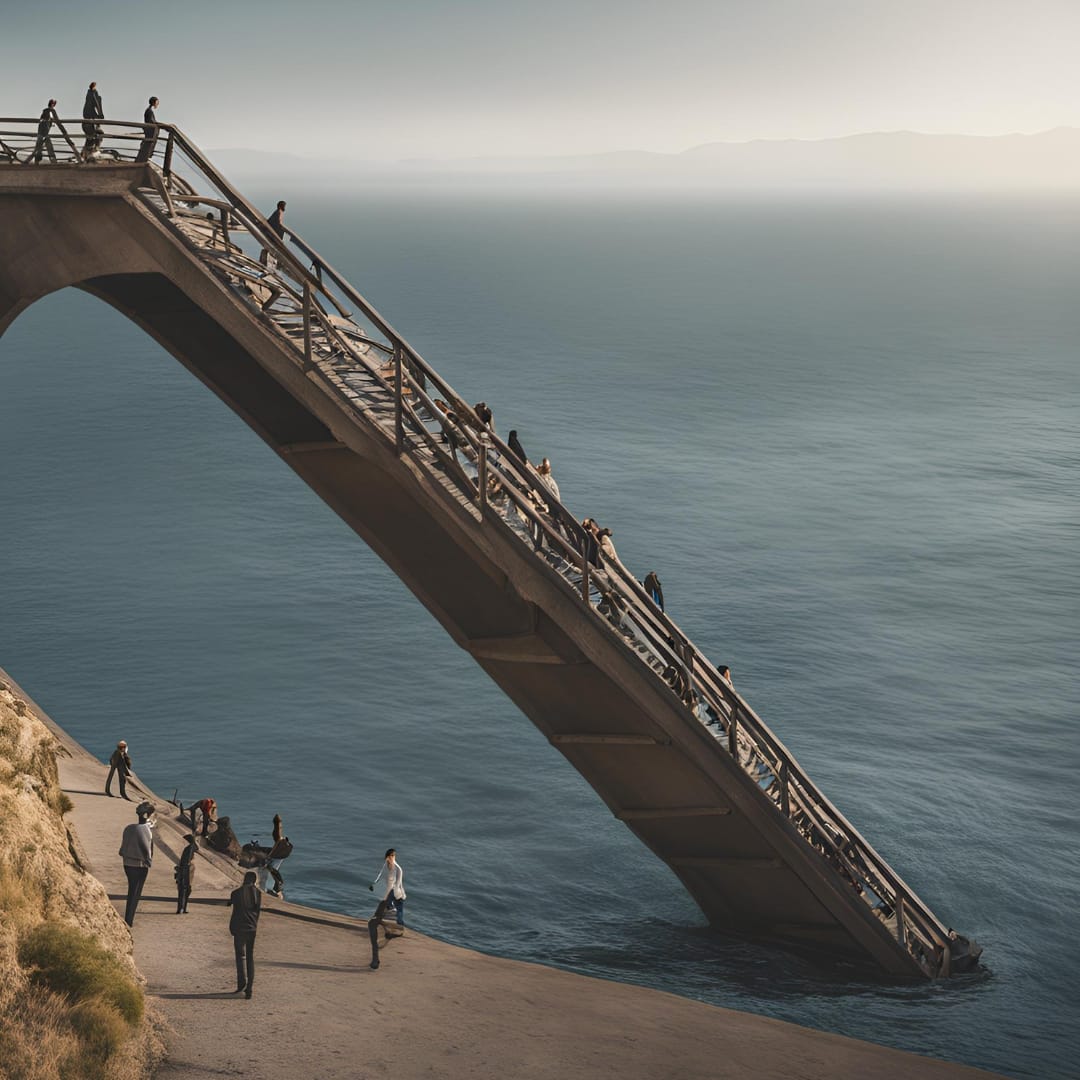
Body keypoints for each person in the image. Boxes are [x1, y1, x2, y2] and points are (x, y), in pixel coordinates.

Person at [118, 801, 155, 926]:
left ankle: (129, 918)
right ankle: (129, 920)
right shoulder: (145, 830)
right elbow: (146, 848)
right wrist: (149, 861)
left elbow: (122, 848)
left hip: (127, 863)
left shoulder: (129, 828)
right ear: (147, 815)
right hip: (139, 865)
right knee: (136, 892)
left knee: (132, 890)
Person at [227, 871, 262, 999]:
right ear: (254, 881)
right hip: (252, 929)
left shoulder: (236, 893)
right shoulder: (258, 893)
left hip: (239, 929)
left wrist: (232, 928)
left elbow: (235, 912)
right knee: (250, 958)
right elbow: (257, 912)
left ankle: (241, 983)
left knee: (240, 956)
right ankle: (250, 989)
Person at [369, 848, 406, 927]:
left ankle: (400, 926)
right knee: (383, 904)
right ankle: (379, 918)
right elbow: (381, 874)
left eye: (392, 856)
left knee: (397, 911)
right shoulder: (386, 864)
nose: (390, 858)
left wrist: (392, 894)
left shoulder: (398, 869)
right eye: (389, 857)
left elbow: (398, 884)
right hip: (388, 890)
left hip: (397, 892)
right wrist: (375, 883)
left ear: (394, 856)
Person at [263, 831, 293, 897]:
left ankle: (270, 888)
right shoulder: (290, 846)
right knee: (273, 870)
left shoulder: (280, 843)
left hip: (276, 858)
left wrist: (269, 857)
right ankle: (277, 886)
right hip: (280, 858)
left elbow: (274, 850)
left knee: (271, 871)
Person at [175, 833, 197, 914]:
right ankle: (181, 908)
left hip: (185, 870)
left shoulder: (189, 848)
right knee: (184, 890)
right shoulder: (190, 848)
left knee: (184, 890)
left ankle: (182, 908)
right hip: (185, 870)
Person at [259, 200, 286, 265]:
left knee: (271, 245)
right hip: (275, 232)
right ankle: (276, 261)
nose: (284, 207)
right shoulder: (279, 212)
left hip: (273, 231)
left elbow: (270, 220)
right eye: (284, 206)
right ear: (281, 206)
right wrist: (282, 226)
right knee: (276, 246)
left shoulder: (277, 211)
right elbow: (279, 221)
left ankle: (267, 259)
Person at [81, 81, 103, 158]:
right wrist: (100, 115)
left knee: (90, 138)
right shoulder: (93, 94)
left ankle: (85, 154)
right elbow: (97, 103)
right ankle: (94, 151)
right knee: (97, 134)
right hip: (89, 121)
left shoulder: (89, 95)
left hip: (86, 121)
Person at [135, 96, 159, 163]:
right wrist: (159, 124)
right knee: (147, 146)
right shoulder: (149, 111)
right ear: (154, 102)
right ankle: (142, 160)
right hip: (149, 132)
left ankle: (141, 159)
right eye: (157, 102)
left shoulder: (148, 110)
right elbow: (151, 121)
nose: (157, 104)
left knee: (146, 145)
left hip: (148, 131)